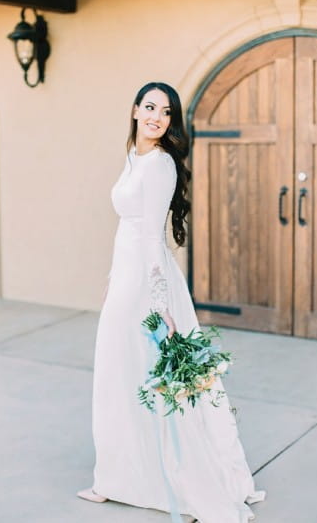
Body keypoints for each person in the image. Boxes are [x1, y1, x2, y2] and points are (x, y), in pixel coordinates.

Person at [77, 82, 265, 522]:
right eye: (149, 107)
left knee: (151, 376)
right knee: (117, 375)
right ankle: (114, 477)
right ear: (135, 111)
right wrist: (112, 279)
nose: (156, 116)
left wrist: (160, 304)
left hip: (148, 285)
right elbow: (127, 229)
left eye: (165, 111)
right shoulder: (133, 158)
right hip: (126, 280)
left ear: (170, 122)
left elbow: (149, 237)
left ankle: (178, 479)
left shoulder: (160, 164)